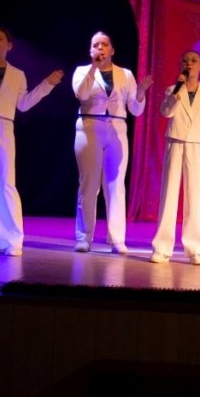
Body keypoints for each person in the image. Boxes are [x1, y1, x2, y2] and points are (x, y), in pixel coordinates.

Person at [0, 25, 64, 256]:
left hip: (3, 125)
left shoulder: (17, 74)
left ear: (9, 45)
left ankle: (12, 240)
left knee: (5, 182)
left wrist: (46, 85)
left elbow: (24, 104)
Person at [72, 31, 153, 253]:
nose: (100, 48)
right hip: (89, 128)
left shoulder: (125, 74)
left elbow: (135, 110)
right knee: (89, 184)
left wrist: (140, 94)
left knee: (115, 184)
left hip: (116, 128)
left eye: (104, 44)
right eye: (95, 45)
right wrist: (93, 67)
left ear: (112, 50)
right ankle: (84, 236)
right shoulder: (82, 71)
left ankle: (117, 239)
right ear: (90, 50)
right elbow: (81, 94)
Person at [150, 50, 200, 264]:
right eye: (185, 60)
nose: (189, 64)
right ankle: (162, 248)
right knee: (169, 194)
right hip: (175, 142)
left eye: (194, 61)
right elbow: (166, 112)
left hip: (196, 144)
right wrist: (177, 90)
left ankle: (195, 249)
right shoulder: (172, 89)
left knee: (195, 195)